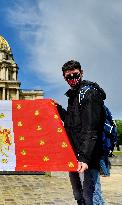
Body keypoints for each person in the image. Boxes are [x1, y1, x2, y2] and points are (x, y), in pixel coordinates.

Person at [57, 60, 106, 205]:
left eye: (75, 75)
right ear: (64, 78)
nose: (72, 79)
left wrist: (84, 158)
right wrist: (58, 109)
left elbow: (91, 128)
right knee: (79, 195)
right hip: (74, 154)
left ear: (81, 73)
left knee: (91, 196)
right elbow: (73, 123)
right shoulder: (74, 95)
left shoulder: (89, 94)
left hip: (87, 157)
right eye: (68, 77)